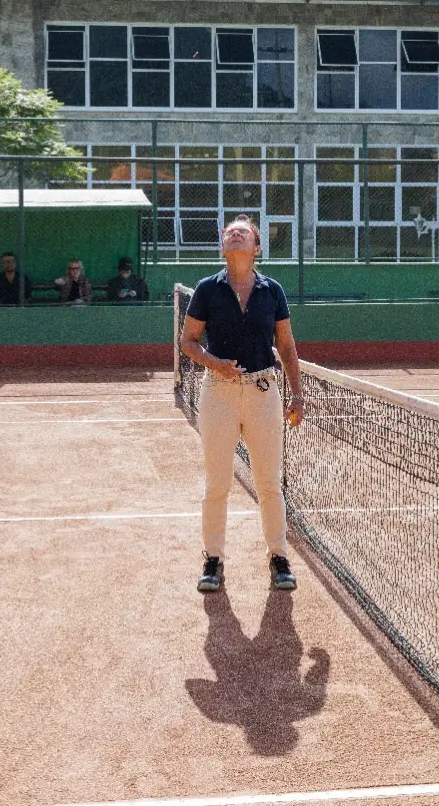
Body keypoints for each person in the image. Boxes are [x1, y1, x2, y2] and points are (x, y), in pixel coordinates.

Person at [179, 215, 305, 594]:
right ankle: (213, 560)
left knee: (268, 482)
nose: (235, 235)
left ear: (256, 246)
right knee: (217, 482)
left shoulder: (272, 291)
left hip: (264, 392)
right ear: (223, 247)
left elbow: (286, 346)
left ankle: (278, 557)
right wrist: (214, 363)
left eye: (243, 232)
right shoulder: (207, 289)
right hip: (218, 392)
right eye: (230, 233)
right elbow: (188, 341)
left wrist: (297, 394)